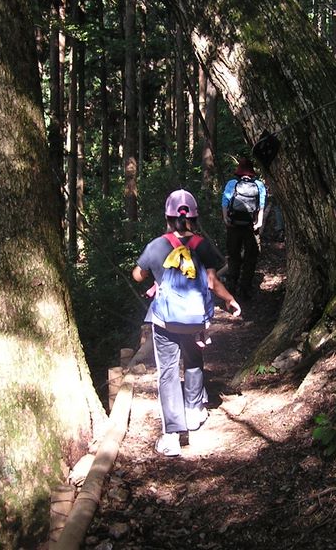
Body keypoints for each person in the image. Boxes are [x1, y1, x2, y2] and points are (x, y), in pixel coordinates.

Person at [132, 189, 241, 457]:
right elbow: (213, 282)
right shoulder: (202, 246)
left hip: (165, 322)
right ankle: (194, 412)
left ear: (167, 217)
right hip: (195, 321)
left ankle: (171, 435)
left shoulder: (157, 245)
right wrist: (230, 300)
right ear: (193, 217)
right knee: (194, 360)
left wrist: (155, 274)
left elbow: (137, 275)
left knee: (167, 372)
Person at [221, 157, 267, 300]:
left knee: (233, 257)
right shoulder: (258, 184)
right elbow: (261, 204)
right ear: (251, 171)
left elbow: (225, 202)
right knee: (251, 258)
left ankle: (231, 288)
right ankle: (245, 289)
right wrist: (259, 222)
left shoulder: (232, 183)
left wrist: (226, 219)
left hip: (234, 226)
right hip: (250, 227)